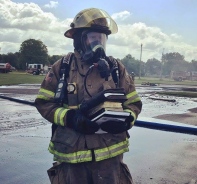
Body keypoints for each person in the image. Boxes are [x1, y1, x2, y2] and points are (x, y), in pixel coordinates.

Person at [35, 8, 142, 184]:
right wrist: (70, 118)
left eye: (101, 38)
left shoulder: (116, 68)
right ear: (80, 39)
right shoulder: (62, 67)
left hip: (109, 161)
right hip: (72, 159)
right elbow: (43, 103)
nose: (98, 42)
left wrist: (126, 120)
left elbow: (134, 103)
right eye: (93, 37)